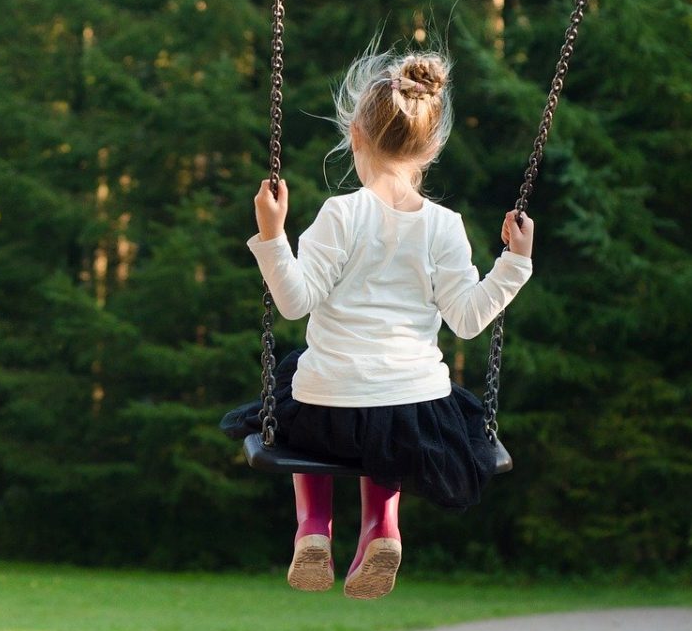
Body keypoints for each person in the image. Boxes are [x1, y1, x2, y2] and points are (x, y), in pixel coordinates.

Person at [221, 45, 535, 599]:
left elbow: (293, 302)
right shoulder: (445, 225)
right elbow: (467, 320)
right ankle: (382, 528)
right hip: (413, 413)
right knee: (389, 421)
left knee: (300, 386)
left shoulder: (340, 214)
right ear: (432, 147)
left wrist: (272, 236)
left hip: (328, 410)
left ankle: (313, 528)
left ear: (355, 137)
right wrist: (514, 263)